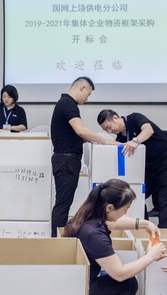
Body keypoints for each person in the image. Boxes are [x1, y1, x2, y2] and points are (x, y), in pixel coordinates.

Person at [63, 179, 166, 295]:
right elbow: (120, 274)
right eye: (125, 210)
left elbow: (114, 224)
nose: (125, 213)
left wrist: (145, 224)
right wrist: (151, 256)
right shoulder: (95, 235)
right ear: (109, 208)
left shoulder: (89, 216)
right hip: (80, 289)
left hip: (73, 281)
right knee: (128, 282)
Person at [50, 76, 118, 238]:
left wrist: (93, 140)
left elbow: (73, 136)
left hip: (66, 159)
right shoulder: (68, 104)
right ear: (82, 88)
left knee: (64, 203)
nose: (87, 98)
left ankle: (60, 238)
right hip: (66, 161)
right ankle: (57, 240)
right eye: (88, 94)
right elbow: (80, 130)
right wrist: (105, 141)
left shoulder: (65, 104)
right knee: (63, 204)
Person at [98, 110, 167, 229]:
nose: (109, 131)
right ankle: (145, 226)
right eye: (106, 130)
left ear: (116, 118)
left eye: (109, 127)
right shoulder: (121, 137)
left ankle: (163, 231)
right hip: (149, 166)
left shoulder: (135, 118)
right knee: (137, 195)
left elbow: (148, 130)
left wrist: (135, 141)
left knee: (165, 199)